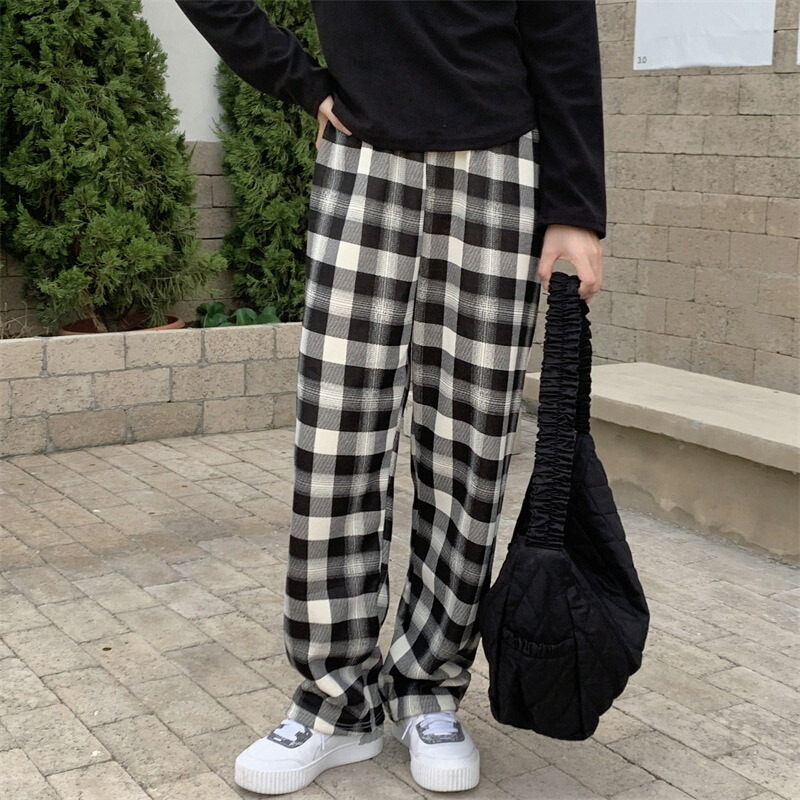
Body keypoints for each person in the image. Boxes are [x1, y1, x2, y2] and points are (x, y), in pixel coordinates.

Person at [175, 1, 605, 794]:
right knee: (336, 444)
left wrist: (575, 204)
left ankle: (429, 687)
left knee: (470, 447)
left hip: (498, 162)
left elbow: (560, 24)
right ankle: (335, 699)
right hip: (364, 156)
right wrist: (300, 81)